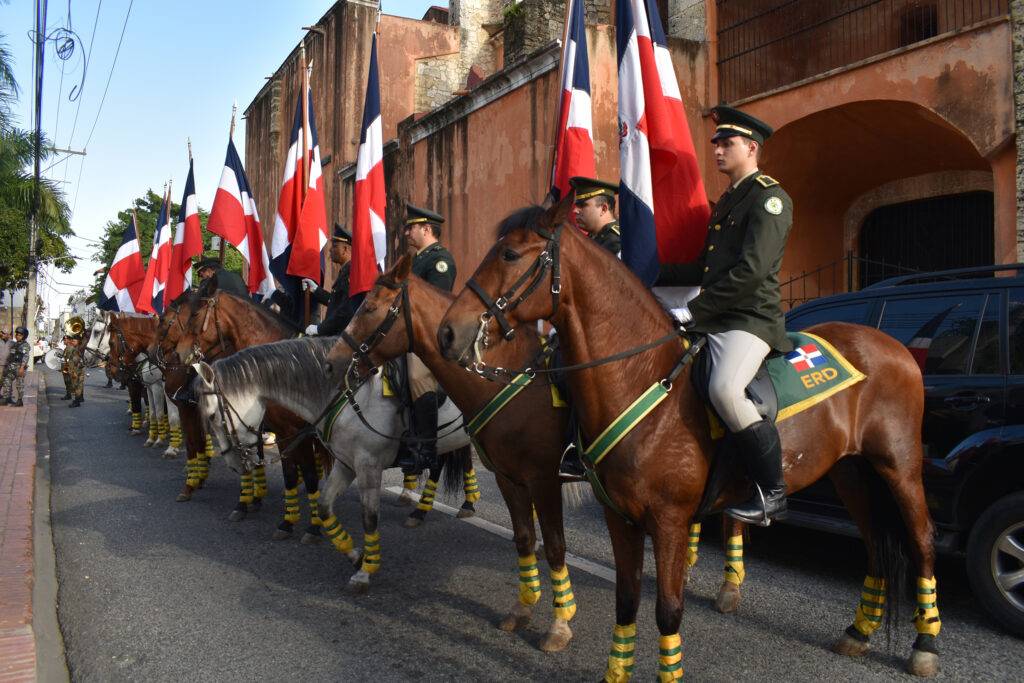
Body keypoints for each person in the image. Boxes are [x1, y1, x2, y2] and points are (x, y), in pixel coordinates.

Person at [656, 105, 794, 527]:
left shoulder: (770, 198)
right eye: (715, 143)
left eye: (726, 143)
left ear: (751, 148)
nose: (716, 150)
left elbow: (750, 274)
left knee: (725, 390)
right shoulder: (729, 201)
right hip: (717, 318)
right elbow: (706, 268)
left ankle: (773, 493)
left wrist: (694, 311)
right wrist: (650, 272)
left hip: (749, 319)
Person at [398, 204, 456, 474]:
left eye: (412, 227)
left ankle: (426, 448)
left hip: (427, 336)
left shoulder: (439, 260)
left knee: (418, 377)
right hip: (406, 333)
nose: (407, 232)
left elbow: (435, 304)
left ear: (426, 229)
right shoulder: (415, 259)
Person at [302, 224, 362, 336]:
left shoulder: (351, 273)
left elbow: (346, 311)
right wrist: (316, 290)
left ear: (345, 249)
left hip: (340, 338)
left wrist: (320, 329)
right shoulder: (345, 271)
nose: (330, 250)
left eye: (335, 246)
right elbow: (336, 302)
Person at [569, 176, 621, 256]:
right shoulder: (593, 236)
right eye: (576, 206)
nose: (575, 210)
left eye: (582, 205)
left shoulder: (617, 243)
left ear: (603, 209)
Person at [1, 327, 31, 407]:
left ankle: (20, 401)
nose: (17, 336)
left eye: (20, 335)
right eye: (17, 334)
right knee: (6, 381)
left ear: (24, 336)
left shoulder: (25, 345)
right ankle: (6, 398)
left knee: (19, 384)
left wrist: (22, 367)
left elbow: (26, 357)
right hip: (11, 367)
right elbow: (11, 356)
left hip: (19, 367)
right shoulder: (15, 344)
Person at [64, 333, 86, 408]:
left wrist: (73, 371)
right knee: (78, 385)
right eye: (72, 341)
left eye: (74, 341)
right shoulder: (77, 348)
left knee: (76, 385)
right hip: (78, 369)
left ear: (79, 341)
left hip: (77, 370)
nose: (72, 342)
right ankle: (78, 399)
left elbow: (74, 361)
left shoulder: (76, 349)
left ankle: (76, 401)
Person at [60, 334, 74, 399]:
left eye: (65, 340)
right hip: (66, 367)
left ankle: (70, 395)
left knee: (68, 381)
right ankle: (68, 394)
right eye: (64, 340)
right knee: (67, 381)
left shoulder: (70, 348)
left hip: (69, 368)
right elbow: (65, 358)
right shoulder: (67, 348)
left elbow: (69, 360)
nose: (64, 341)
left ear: (69, 340)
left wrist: (65, 368)